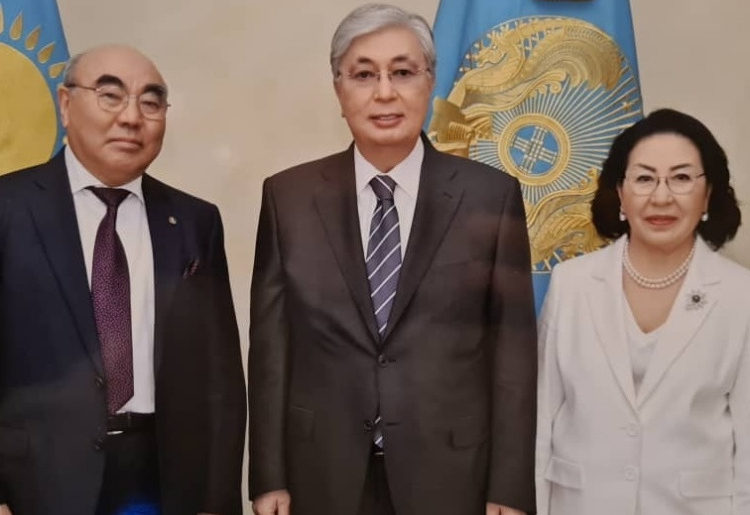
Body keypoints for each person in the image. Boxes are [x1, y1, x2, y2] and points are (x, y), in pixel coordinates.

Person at [248, 4, 537, 515]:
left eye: (403, 72)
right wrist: (268, 477)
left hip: (453, 477)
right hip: (322, 474)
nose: (385, 92)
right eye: (364, 75)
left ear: (430, 82)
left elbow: (512, 354)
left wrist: (509, 489)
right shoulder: (287, 198)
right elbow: (271, 350)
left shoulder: (490, 197)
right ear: (339, 89)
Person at [0, 45, 246, 515]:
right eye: (110, 96)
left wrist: (216, 499)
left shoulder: (194, 221)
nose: (132, 117)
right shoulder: (9, 209)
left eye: (151, 102)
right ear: (66, 104)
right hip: (37, 481)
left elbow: (220, 378)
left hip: (166, 478)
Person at [535, 108, 749, 514]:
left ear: (708, 194)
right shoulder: (571, 284)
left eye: (681, 178)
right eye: (645, 178)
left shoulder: (741, 297)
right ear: (620, 192)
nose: (661, 197)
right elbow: (541, 418)